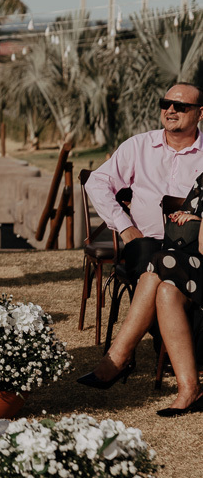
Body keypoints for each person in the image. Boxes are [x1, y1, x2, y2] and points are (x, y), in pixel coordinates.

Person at [78, 174, 203, 416]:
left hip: (196, 263)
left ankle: (117, 359)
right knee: (164, 288)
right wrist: (185, 219)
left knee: (158, 262)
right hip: (194, 267)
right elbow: (179, 227)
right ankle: (190, 389)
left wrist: (198, 220)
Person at [86, 83, 203, 281]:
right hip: (146, 242)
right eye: (165, 104)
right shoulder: (138, 146)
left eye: (180, 106)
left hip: (195, 245)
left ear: (200, 113)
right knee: (149, 259)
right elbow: (96, 182)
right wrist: (124, 226)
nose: (170, 110)